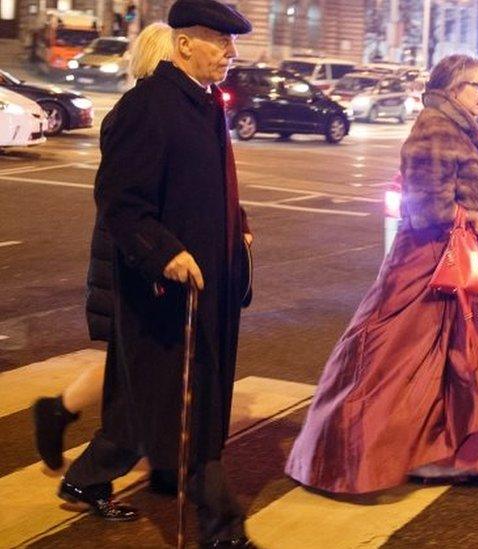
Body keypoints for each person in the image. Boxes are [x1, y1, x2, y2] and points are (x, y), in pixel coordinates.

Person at [285, 54, 478, 494]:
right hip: (430, 259)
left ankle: (459, 456)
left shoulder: (461, 126)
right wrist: (467, 213)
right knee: (404, 357)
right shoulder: (434, 128)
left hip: (454, 255)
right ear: (452, 89)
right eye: (477, 86)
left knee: (466, 357)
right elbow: (425, 204)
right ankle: (382, 454)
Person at [57, 1, 255, 546]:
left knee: (141, 404)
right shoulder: (150, 107)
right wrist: (164, 251)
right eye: (220, 41)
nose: (230, 53)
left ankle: (83, 480)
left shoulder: (202, 102)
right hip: (166, 289)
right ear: (185, 44)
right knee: (187, 409)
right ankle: (223, 528)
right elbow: (121, 203)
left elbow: (201, 184)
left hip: (204, 283)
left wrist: (235, 223)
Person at [32, 21, 174, 477]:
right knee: (132, 360)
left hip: (132, 251)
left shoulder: (159, 107)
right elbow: (126, 197)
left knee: (130, 360)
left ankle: (61, 413)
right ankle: (79, 438)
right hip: (130, 255)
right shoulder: (142, 110)